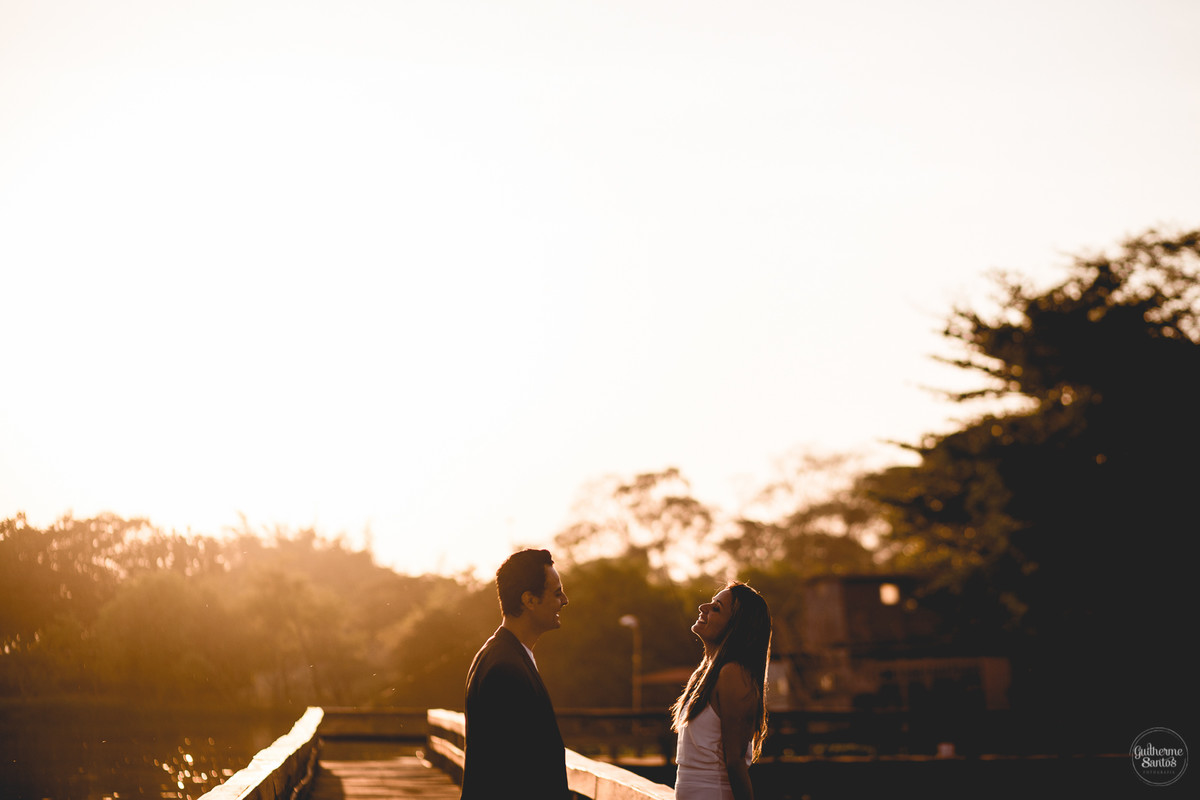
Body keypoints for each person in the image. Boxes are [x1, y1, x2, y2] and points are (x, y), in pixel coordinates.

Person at [461, 548, 571, 800]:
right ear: (529, 600)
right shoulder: (505, 669)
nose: (564, 600)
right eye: (556, 593)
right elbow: (514, 774)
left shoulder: (501, 654)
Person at [671, 581, 772, 800]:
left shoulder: (733, 674)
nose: (703, 607)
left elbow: (735, 763)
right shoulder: (705, 673)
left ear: (736, 627)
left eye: (716, 608)